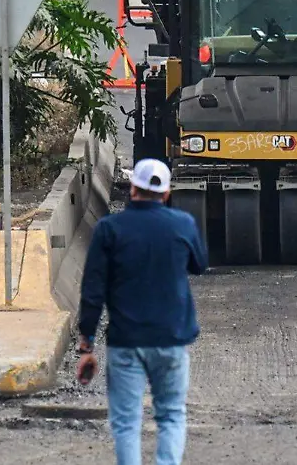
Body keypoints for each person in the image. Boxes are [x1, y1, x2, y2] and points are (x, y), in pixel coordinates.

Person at [77, 159, 208, 465]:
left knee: (126, 422)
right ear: (166, 193)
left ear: (133, 188)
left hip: (126, 341)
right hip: (171, 339)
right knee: (172, 415)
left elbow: (93, 291)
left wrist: (86, 346)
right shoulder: (182, 224)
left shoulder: (109, 229)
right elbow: (199, 264)